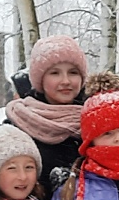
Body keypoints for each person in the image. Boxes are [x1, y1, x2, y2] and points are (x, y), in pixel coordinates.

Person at [5, 34, 88, 188]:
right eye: (55, 73)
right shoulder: (19, 123)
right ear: (40, 79)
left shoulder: (97, 120)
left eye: (73, 72)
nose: (66, 81)